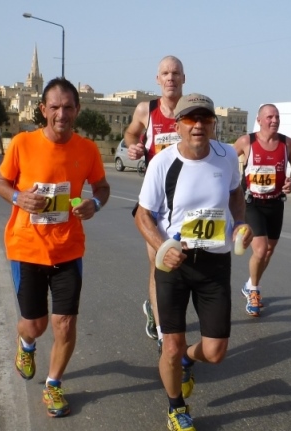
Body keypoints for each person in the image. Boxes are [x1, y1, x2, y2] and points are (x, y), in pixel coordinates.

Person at [134, 93, 252, 431]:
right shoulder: (163, 163)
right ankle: (177, 408)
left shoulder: (226, 155)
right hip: (175, 262)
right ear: (178, 125)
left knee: (215, 352)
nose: (198, 125)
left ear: (213, 123)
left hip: (214, 264)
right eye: (190, 119)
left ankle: (186, 360)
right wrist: (162, 247)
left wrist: (239, 224)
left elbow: (236, 195)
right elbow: (143, 216)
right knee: (171, 346)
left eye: (205, 119)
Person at [0, 77, 110, 417]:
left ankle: (54, 384)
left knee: (65, 323)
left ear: (77, 110)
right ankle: (26, 343)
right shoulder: (22, 143)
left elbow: (101, 187)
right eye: (55, 107)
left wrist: (95, 204)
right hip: (27, 248)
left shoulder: (87, 150)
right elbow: (1, 181)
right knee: (36, 325)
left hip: (68, 249)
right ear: (43, 110)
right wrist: (18, 197)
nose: (62, 114)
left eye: (68, 107)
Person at [125, 56, 185, 351]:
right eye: (165, 73)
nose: (170, 77)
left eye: (175, 73)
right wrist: (133, 146)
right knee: (158, 262)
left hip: (187, 202)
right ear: (157, 79)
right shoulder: (145, 110)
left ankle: (162, 309)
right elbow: (130, 132)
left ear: (183, 78)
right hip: (157, 202)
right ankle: (163, 333)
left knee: (184, 266)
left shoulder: (192, 110)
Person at [233, 104, 291, 317]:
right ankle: (254, 291)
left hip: (275, 203)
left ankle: (250, 284)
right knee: (261, 250)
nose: (274, 120)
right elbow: (225, 160)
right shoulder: (247, 141)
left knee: (269, 250)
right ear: (259, 120)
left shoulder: (286, 143)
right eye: (270, 117)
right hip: (252, 203)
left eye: (277, 117)